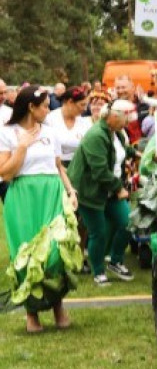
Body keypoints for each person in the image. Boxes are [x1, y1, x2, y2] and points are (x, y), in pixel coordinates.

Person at [0, 85, 82, 332]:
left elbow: (58, 166)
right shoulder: (8, 132)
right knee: (27, 254)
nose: (49, 109)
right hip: (23, 194)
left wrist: (70, 191)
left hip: (51, 192)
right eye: (45, 105)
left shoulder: (50, 132)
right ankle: (32, 315)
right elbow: (5, 173)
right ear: (31, 107)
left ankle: (58, 307)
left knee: (56, 252)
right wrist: (22, 147)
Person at [67, 99, 138, 284]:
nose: (128, 123)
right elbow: (99, 171)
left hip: (110, 189)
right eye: (126, 119)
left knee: (128, 223)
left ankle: (115, 261)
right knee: (97, 232)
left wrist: (137, 153)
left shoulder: (117, 132)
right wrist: (119, 188)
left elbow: (121, 151)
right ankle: (98, 272)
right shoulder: (96, 135)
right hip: (90, 191)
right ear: (114, 117)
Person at [45, 85, 91, 166]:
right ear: (70, 102)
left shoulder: (84, 122)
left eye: (86, 105)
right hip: (54, 166)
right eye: (82, 105)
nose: (85, 109)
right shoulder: (50, 119)